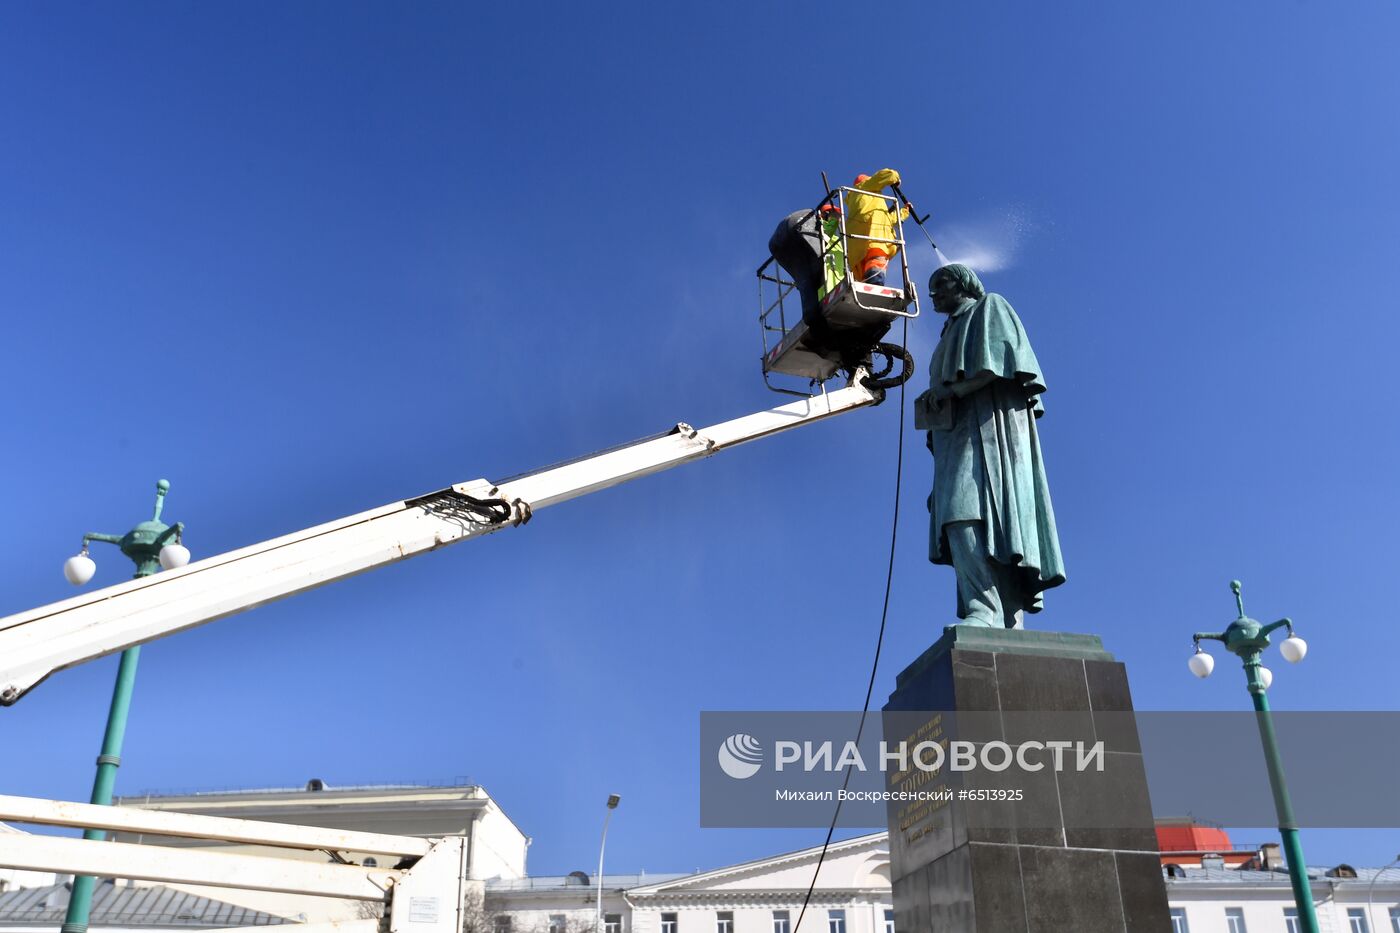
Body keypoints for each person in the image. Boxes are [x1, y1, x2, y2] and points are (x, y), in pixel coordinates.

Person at [914, 264, 1065, 628]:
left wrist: (950, 390)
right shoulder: (945, 337)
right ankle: (997, 614)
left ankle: (988, 609)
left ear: (964, 284)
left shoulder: (989, 308)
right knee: (958, 519)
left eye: (941, 284)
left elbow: (999, 364)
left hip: (990, 434)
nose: (933, 293)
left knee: (965, 515)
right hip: (955, 438)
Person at [767, 202, 843, 335]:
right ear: (825, 215)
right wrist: (834, 219)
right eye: (833, 214)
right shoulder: (818, 231)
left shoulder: (833, 238)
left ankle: (813, 320)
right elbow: (827, 231)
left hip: (830, 285)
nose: (838, 217)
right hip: (830, 287)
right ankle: (814, 320)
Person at [845, 169, 911, 286]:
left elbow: (887, 220)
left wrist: (904, 212)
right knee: (875, 267)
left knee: (863, 280)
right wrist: (895, 178)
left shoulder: (862, 203)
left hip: (856, 248)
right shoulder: (864, 186)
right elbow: (887, 175)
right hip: (873, 238)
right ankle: (875, 286)